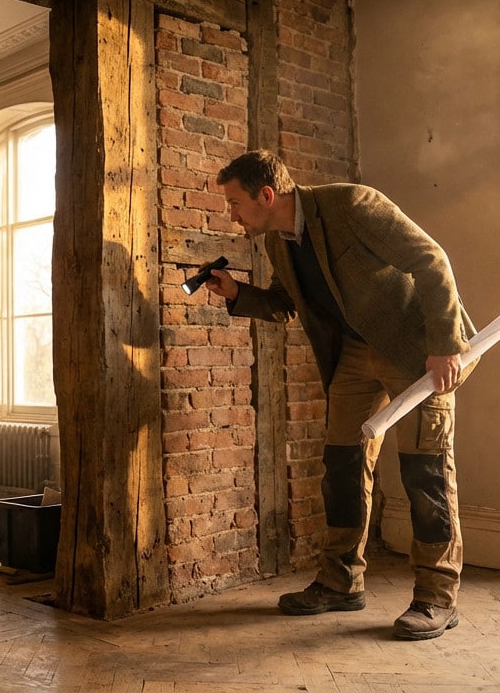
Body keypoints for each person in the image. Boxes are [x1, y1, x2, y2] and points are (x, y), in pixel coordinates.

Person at [202, 149, 474, 641]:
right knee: (342, 465)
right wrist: (239, 295)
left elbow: (431, 259)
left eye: (236, 202)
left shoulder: (353, 205)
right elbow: (289, 303)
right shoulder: (278, 244)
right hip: (353, 355)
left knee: (425, 473)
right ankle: (340, 582)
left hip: (413, 351)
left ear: (267, 195)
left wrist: (444, 347)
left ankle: (437, 596)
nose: (233, 214)